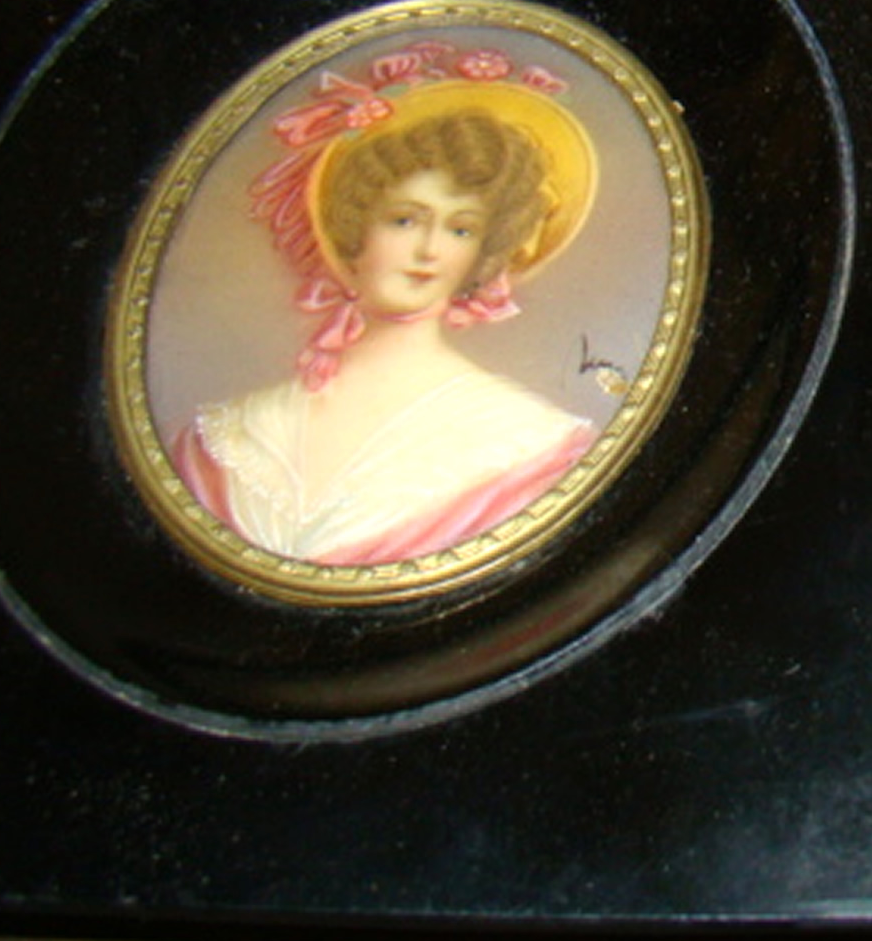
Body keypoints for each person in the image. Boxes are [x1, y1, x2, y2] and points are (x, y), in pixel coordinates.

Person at [173, 43, 600, 566]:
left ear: (484, 251)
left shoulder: (530, 440)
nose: (429, 250)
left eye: (461, 229)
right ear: (356, 227)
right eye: (404, 220)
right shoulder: (226, 438)